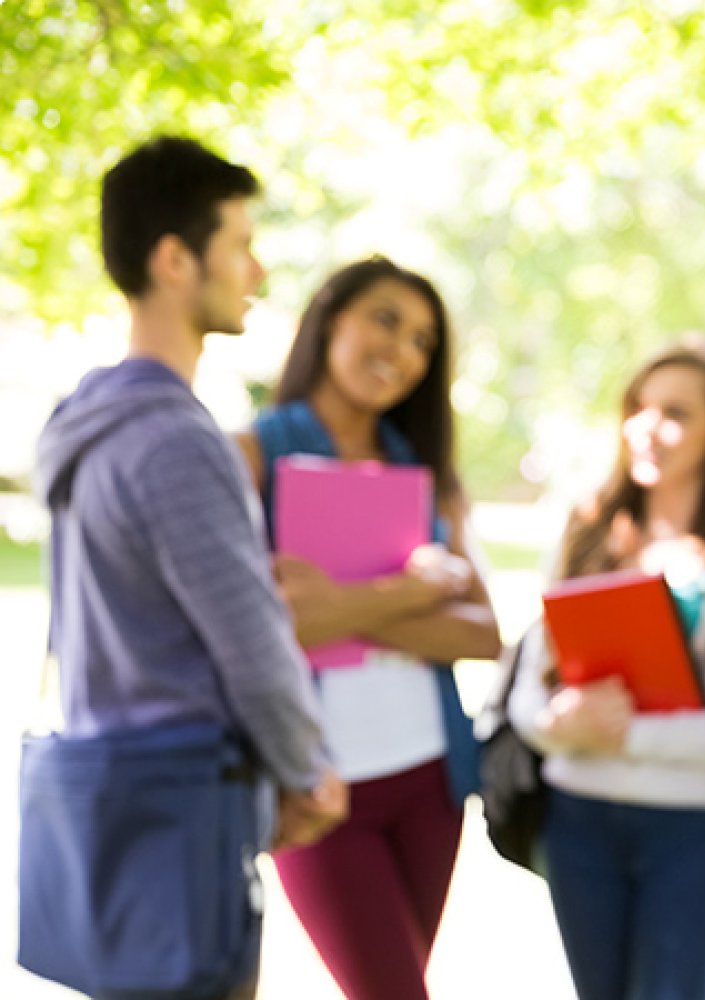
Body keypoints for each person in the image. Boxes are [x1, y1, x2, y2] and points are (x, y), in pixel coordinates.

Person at [34, 136, 346, 998]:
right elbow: (248, 637)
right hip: (183, 805)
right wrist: (307, 768)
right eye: (241, 245)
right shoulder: (176, 438)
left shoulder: (86, 423)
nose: (258, 270)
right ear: (175, 259)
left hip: (108, 798)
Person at [233, 256, 501, 1000]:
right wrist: (411, 595)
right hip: (322, 788)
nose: (403, 351)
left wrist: (339, 608)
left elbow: (483, 635)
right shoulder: (253, 454)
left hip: (431, 780)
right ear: (329, 319)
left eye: (422, 340)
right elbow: (266, 628)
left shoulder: (425, 470)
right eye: (386, 320)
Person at [508, 342, 705, 1000]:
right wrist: (561, 724)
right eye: (637, 407)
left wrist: (627, 735)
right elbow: (524, 691)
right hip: (577, 824)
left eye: (674, 413)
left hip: (691, 833)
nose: (646, 426)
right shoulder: (582, 535)